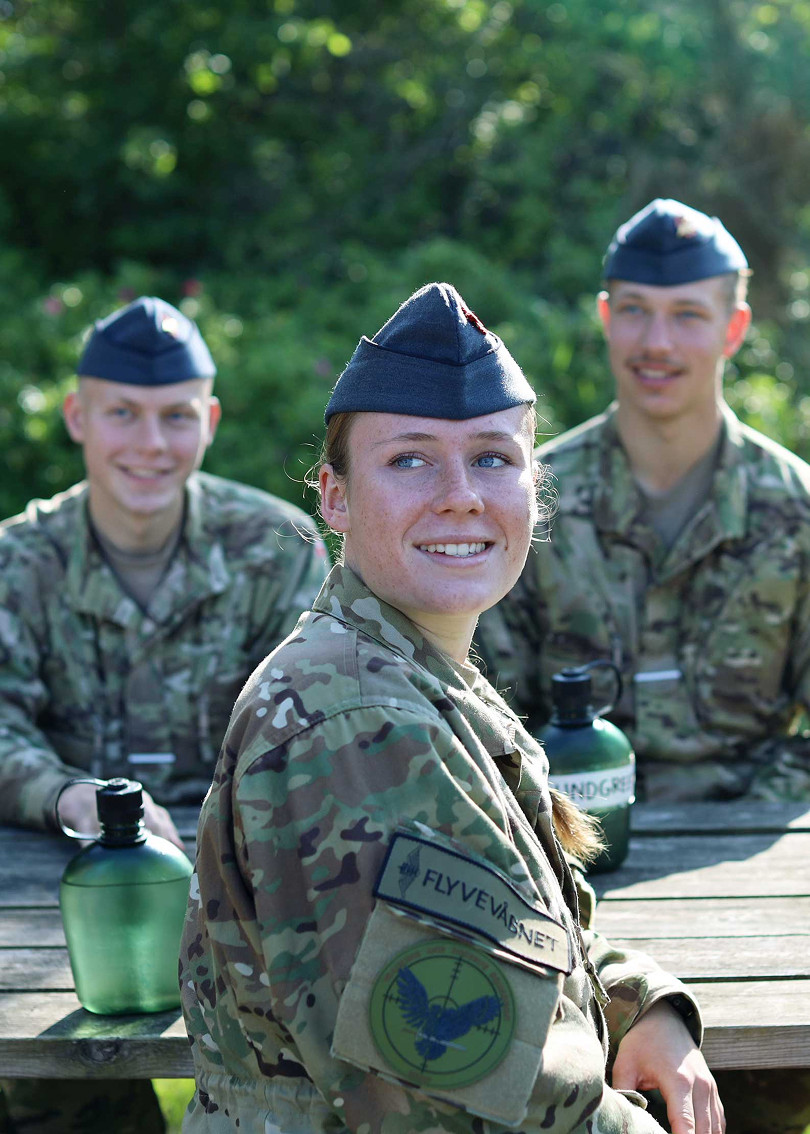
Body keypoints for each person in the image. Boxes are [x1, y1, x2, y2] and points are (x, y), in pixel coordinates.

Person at [180, 282, 724, 1133]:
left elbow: (510, 944)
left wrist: (636, 1002)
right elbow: (442, 1098)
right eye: (410, 458)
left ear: (532, 488)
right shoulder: (353, 720)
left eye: (493, 458)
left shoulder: (417, 675)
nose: (461, 493)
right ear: (335, 496)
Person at [475, 199, 810, 1132]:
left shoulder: (796, 509)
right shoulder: (528, 498)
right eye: (633, 309)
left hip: (755, 882)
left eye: (686, 314)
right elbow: (477, 695)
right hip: (562, 874)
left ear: (735, 327)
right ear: (604, 314)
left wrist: (750, 798)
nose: (655, 340)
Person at [0, 296, 329, 1133]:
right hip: (64, 889)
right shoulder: (19, 561)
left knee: (310, 1065)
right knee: (54, 1085)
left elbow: (313, 723)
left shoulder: (273, 547)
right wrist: (69, 797)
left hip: (251, 877)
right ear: (77, 416)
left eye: (176, 417)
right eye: (123, 414)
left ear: (210, 420)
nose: (151, 444)